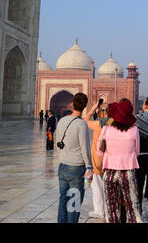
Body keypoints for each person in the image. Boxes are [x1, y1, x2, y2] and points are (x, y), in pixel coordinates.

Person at [97, 99, 142, 223]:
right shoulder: (134, 130)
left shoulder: (106, 129)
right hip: (127, 171)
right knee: (132, 206)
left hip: (110, 171)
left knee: (111, 208)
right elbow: (137, 152)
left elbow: (99, 152)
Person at [54, 93, 93, 223]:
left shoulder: (61, 120)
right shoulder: (81, 124)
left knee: (63, 199)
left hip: (63, 165)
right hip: (76, 168)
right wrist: (89, 167)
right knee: (74, 203)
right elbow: (85, 148)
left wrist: (62, 157)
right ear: (85, 106)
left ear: (72, 103)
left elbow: (57, 142)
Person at [84, 100, 109, 219]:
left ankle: (99, 211)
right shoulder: (113, 125)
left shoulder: (98, 125)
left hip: (97, 158)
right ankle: (108, 209)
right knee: (107, 186)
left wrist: (94, 107)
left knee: (97, 185)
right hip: (110, 158)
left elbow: (85, 119)